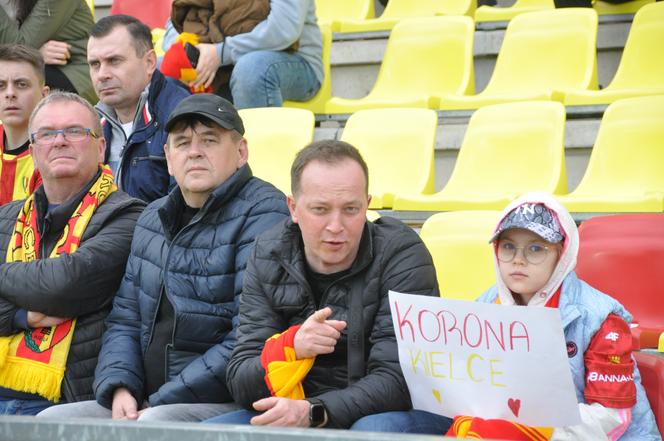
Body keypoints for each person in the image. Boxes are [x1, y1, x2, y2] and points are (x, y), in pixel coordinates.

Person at [39, 94, 290, 422]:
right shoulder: (152, 216)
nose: (195, 152)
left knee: (154, 425)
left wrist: (158, 400)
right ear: (169, 158)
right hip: (145, 398)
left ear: (241, 152)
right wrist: (120, 386)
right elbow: (125, 318)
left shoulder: (265, 212)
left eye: (209, 140)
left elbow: (248, 338)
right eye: (182, 143)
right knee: (49, 423)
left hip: (226, 398)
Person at [205, 140, 452, 433]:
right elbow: (241, 380)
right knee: (202, 434)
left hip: (385, 412)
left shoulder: (401, 254)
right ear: (293, 209)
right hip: (294, 407)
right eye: (320, 210)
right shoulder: (269, 253)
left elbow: (400, 380)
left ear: (367, 205)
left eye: (350, 209)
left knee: (371, 431)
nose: (336, 226)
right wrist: (291, 347)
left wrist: (314, 411)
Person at [445, 192, 660, 440]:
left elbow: (612, 419)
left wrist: (536, 430)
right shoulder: (484, 306)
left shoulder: (599, 318)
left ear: (562, 255)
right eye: (508, 247)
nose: (518, 260)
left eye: (535, 249)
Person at [0, 91, 145, 415]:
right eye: (48, 133)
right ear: (34, 150)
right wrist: (20, 316)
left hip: (64, 399)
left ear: (101, 147)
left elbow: (64, 283)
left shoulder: (129, 215)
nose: (60, 141)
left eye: (75, 131)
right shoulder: (6, 219)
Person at [87, 14, 190, 203]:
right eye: (95, 64)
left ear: (150, 62)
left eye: (114, 61)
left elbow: (187, 213)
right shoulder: (90, 125)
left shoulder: (182, 116)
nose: (102, 75)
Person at [163, 0, 322, 109]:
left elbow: (283, 30)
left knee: (251, 69)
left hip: (292, 60)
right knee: (158, 70)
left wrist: (220, 53)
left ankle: (257, 154)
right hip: (222, 68)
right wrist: (186, 51)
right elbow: (174, 21)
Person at [0, 0, 96, 103]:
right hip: (35, 66)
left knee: (17, 81)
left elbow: (19, 47)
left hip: (75, 71)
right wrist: (37, 54)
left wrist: (35, 55)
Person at [0, 44, 48, 205]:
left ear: (44, 95)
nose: (10, 94)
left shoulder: (55, 151)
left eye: (21, 84)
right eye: (1, 85)